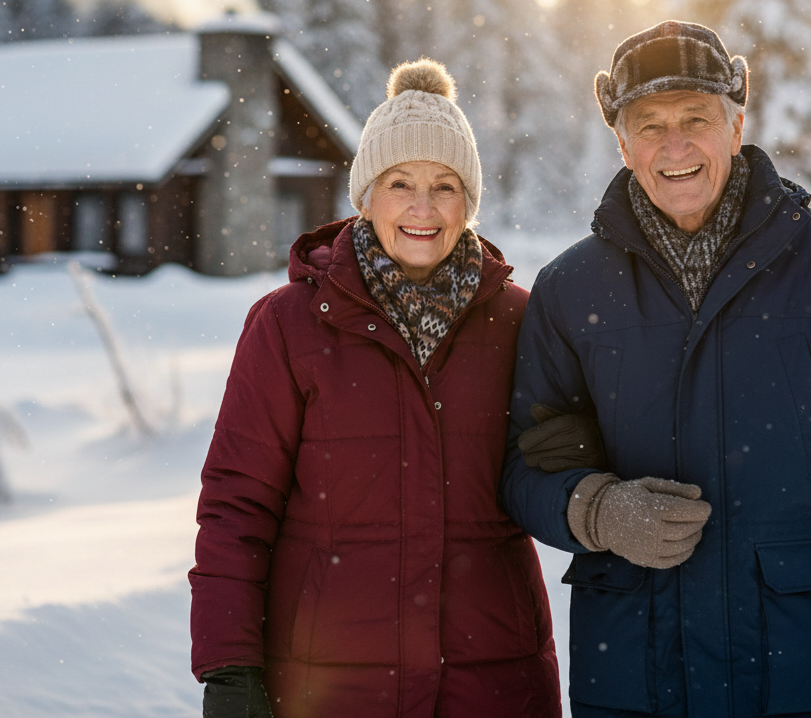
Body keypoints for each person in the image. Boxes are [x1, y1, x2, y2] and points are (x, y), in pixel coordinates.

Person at [500, 21, 811, 718]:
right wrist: (598, 510)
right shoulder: (570, 290)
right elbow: (529, 465)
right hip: (634, 675)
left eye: (696, 119)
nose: (674, 146)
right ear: (622, 145)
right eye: (649, 125)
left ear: (737, 126)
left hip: (808, 671)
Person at [190, 59, 560, 718]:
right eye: (401, 183)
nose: (423, 208)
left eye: (445, 186)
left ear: (468, 202)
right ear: (365, 196)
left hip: (493, 683)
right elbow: (236, 505)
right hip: (329, 687)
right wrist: (230, 669)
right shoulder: (289, 325)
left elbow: (556, 468)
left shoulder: (518, 321)